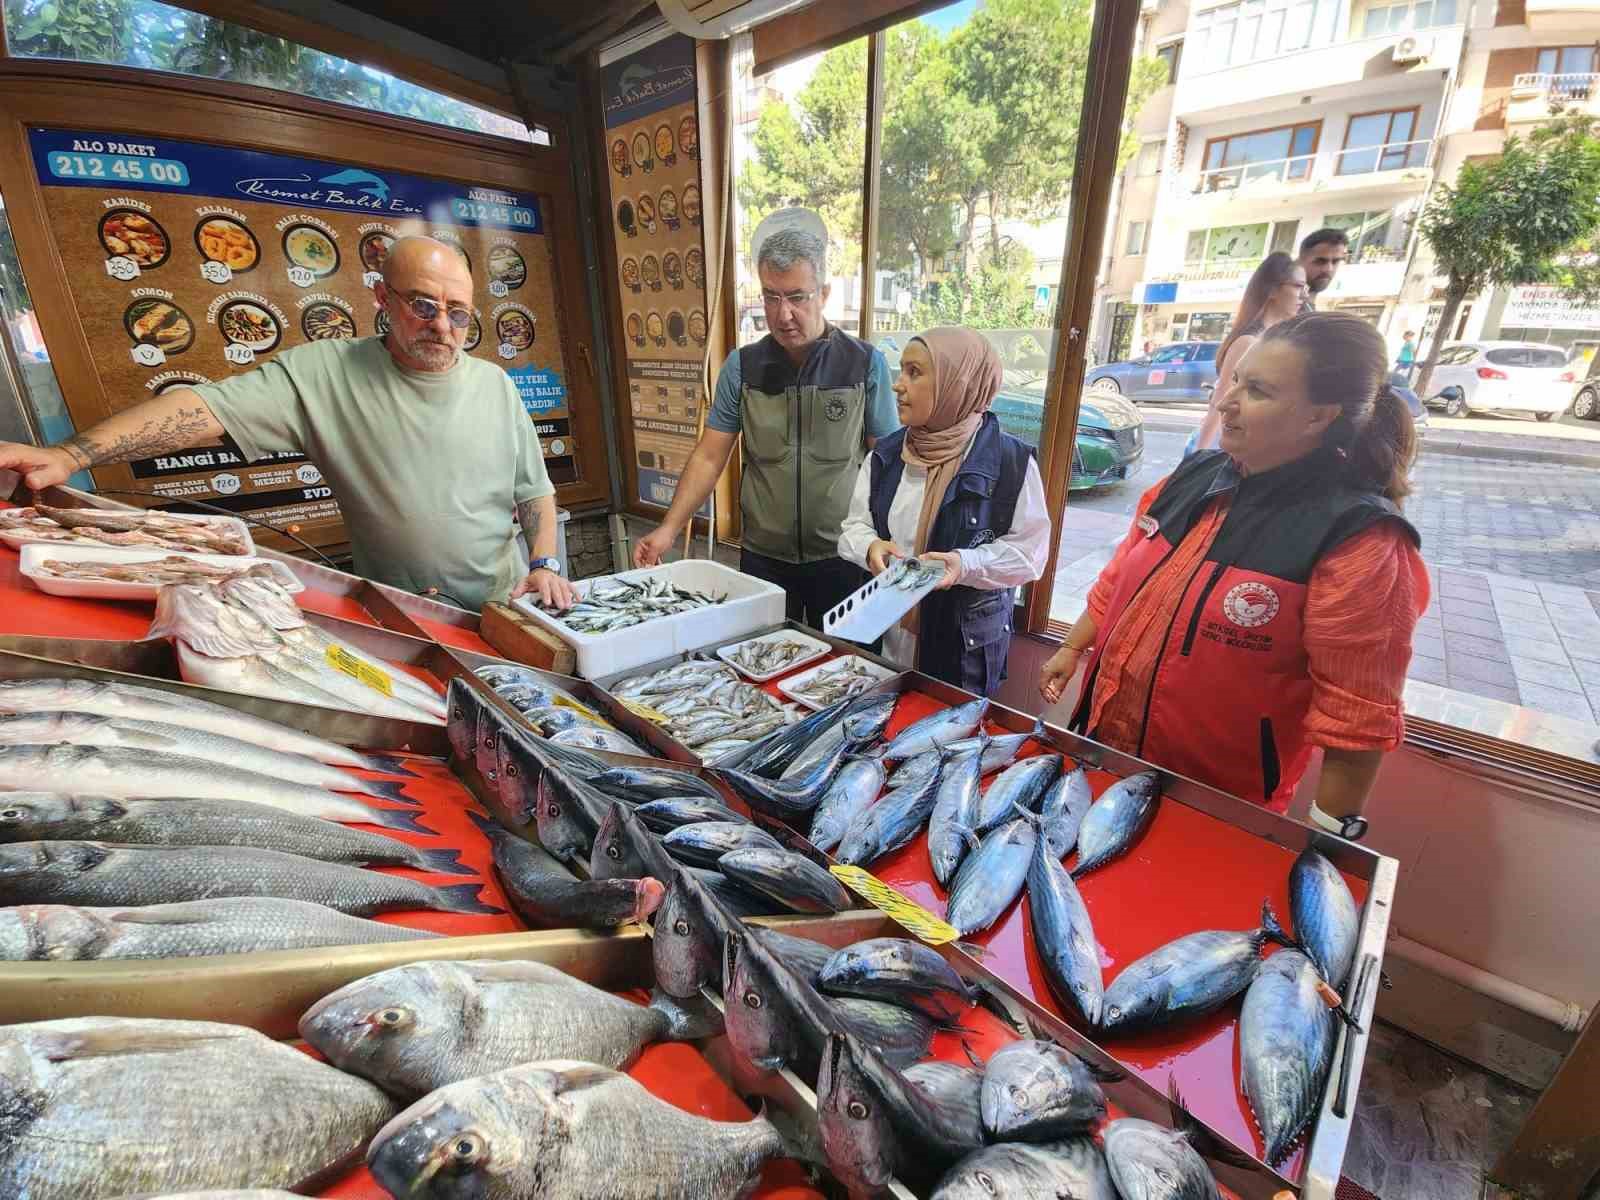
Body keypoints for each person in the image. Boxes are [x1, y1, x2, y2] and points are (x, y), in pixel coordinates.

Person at [0, 237, 573, 614]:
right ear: (382, 297)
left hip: (505, 604)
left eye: (459, 313)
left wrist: (544, 563)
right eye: (423, 306)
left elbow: (534, 492)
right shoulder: (324, 373)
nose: (443, 327)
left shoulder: (494, 384)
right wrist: (72, 456)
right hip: (402, 609)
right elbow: (203, 410)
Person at [1038, 312, 1429, 833]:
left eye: (1258, 391)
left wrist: (1326, 842)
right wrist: (1073, 647)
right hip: (1104, 755)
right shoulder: (1190, 478)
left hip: (1215, 805)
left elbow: (1357, 717)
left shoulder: (1359, 539)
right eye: (1236, 380)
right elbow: (1118, 581)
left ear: (1319, 416)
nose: (1227, 402)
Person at [634, 208, 897, 625]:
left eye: (796, 297)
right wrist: (668, 528)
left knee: (847, 661)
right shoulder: (743, 368)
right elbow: (709, 457)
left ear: (824, 294)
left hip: (845, 556)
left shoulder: (864, 364)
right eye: (771, 297)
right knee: (763, 655)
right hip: (765, 559)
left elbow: (887, 462)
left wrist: (886, 541)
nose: (782, 313)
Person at [839, 328, 1049, 695]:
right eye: (901, 370)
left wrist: (965, 564)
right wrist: (870, 547)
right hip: (887, 636)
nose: (897, 385)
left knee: (944, 727)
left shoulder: (1011, 463)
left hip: (962, 651)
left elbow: (1030, 555)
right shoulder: (886, 455)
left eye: (915, 372)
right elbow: (855, 526)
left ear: (958, 384)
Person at [1190, 252, 1308, 453]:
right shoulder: (1249, 342)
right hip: (1224, 448)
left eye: (1306, 288)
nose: (1303, 296)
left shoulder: (1274, 339)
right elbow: (1220, 403)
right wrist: (1198, 456)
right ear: (1273, 289)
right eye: (1298, 286)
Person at [1297, 227, 1350, 312]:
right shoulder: (1285, 308)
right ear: (1300, 261)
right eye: (1320, 261)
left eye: (1335, 261)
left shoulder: (1306, 307)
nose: (1329, 269)